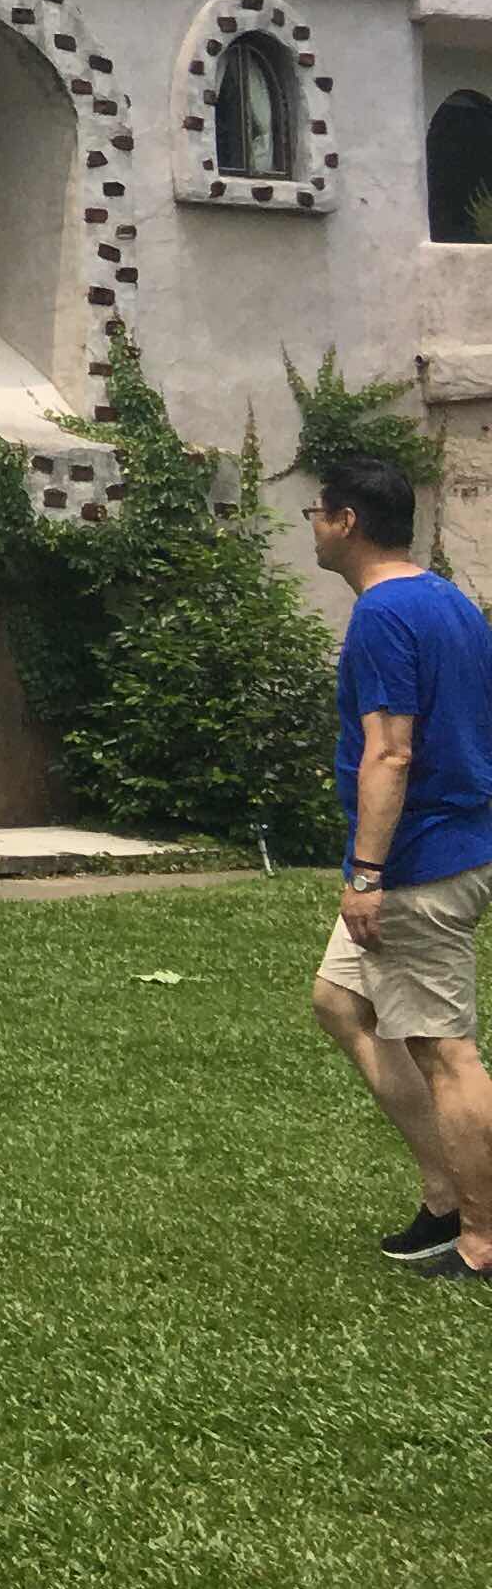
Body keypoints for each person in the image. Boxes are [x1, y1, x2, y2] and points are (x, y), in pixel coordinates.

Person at [301, 456, 492, 1276]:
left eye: (317, 510)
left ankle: (480, 1239)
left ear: (346, 522)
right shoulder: (449, 598)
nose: (310, 523)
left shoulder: (383, 615)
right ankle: (445, 1193)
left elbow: (392, 751)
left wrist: (368, 874)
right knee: (340, 1001)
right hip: (454, 846)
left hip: (419, 864)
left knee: (446, 1051)